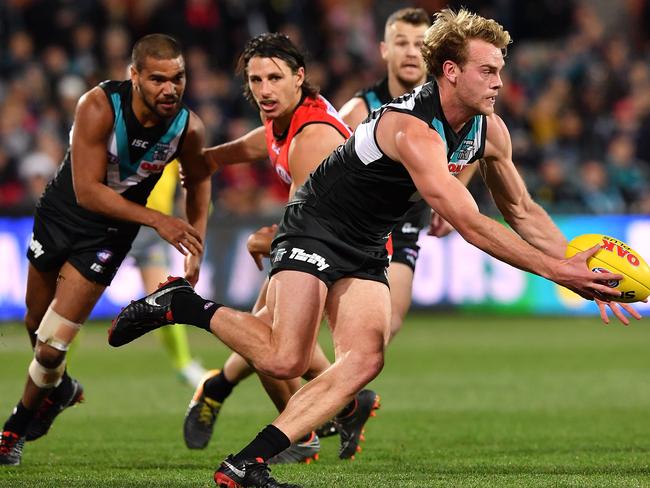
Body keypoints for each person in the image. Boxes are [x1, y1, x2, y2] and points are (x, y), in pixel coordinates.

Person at [109, 10, 641, 488]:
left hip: (365, 239)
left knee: (365, 359)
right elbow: (469, 223)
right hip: (316, 224)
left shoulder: (488, 130)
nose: (500, 82)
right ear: (451, 72)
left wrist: (573, 262)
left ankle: (246, 464)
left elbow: (522, 211)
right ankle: (181, 305)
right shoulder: (410, 127)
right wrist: (556, 273)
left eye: (500, 70)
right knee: (284, 356)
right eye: (488, 71)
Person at [0, 33, 211, 466]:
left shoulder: (188, 128)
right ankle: (60, 390)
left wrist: (196, 237)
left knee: (51, 345)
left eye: (178, 78)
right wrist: (159, 218)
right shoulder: (98, 107)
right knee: (35, 325)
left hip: (110, 235)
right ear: (134, 76)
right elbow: (87, 192)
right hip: (62, 215)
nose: (169, 89)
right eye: (157, 79)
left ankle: (13, 430)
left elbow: (200, 176)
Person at [176, 33, 378, 464]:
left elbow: (305, 223)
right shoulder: (283, 113)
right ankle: (339, 406)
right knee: (271, 339)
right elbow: (263, 142)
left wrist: (264, 238)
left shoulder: (314, 136)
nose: (264, 89)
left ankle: (308, 422)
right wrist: (213, 158)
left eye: (274, 78)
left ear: (299, 77)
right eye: (255, 79)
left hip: (350, 247)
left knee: (272, 343)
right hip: (333, 238)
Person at [337, 6, 473, 343]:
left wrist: (450, 196)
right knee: (293, 336)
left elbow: (475, 148)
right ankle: (222, 381)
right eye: (401, 43)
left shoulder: (453, 105)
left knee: (388, 324)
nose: (411, 51)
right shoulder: (358, 111)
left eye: (419, 44)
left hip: (405, 224)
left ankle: (342, 391)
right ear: (385, 50)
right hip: (356, 228)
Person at [129, 160, 207, 388]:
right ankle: (57, 369)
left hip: (154, 227)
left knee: (161, 299)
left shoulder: (175, 144)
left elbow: (188, 185)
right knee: (81, 301)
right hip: (115, 220)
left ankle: (184, 365)